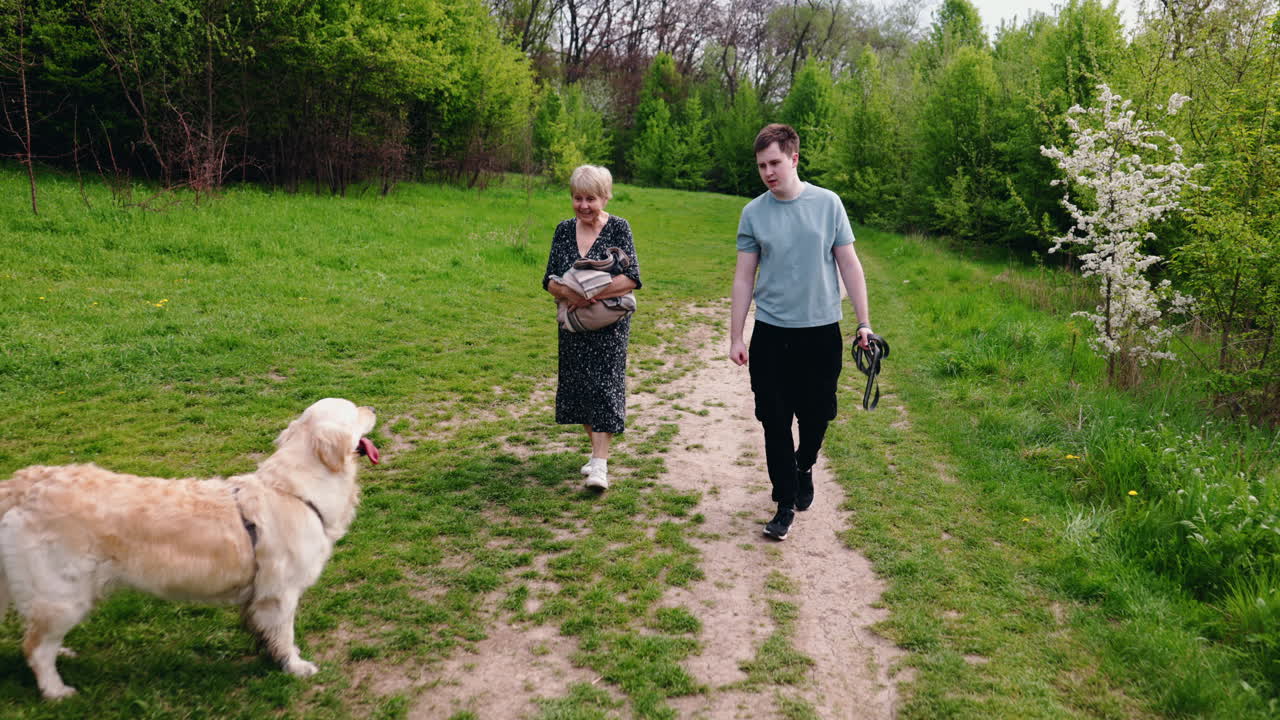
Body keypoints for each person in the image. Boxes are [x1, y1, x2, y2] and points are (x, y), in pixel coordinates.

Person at [729, 123, 873, 541]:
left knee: (817, 415)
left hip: (820, 334)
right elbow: (743, 277)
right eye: (761, 166)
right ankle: (784, 502)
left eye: (774, 163)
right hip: (772, 335)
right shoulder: (753, 213)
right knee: (773, 420)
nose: (768, 172)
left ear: (793, 159)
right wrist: (736, 336)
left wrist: (863, 322)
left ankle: (804, 463)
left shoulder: (828, 204)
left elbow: (850, 265)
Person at [544, 165, 641, 491]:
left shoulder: (619, 228)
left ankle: (600, 463)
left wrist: (589, 293)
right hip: (574, 326)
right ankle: (595, 451)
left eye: (591, 199)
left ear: (605, 197)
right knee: (581, 389)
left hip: (609, 327)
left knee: (604, 387)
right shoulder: (563, 230)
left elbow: (631, 279)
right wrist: (569, 293)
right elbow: (549, 281)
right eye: (577, 198)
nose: (583, 205)